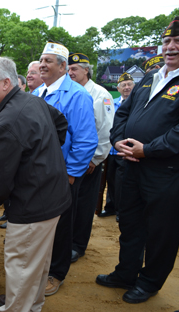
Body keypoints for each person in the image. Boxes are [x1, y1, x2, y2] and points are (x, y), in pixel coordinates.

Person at [96, 16, 179, 304]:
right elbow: (123, 113)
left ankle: (149, 282)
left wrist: (147, 149)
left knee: (162, 231)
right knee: (130, 223)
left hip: (166, 172)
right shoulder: (151, 76)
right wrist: (118, 140)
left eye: (178, 42)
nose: (170, 47)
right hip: (130, 166)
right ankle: (126, 272)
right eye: (166, 42)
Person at [0, 57, 71, 311]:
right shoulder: (34, 100)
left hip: (32, 206)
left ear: (6, 83)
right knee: (37, 264)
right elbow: (60, 124)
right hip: (52, 197)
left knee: (21, 266)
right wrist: (43, 157)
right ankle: (33, 306)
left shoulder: (8, 121)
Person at [33, 40, 97, 296]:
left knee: (61, 225)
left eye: (48, 61)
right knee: (40, 223)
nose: (42, 65)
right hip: (38, 173)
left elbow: (85, 139)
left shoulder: (77, 95)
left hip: (62, 175)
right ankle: (40, 266)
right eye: (41, 60)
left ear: (62, 66)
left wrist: (71, 174)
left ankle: (56, 273)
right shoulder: (38, 93)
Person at [68, 52, 114, 262]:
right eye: (68, 69)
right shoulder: (69, 91)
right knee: (68, 203)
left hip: (88, 162)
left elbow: (105, 130)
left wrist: (95, 159)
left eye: (75, 69)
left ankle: (78, 245)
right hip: (69, 159)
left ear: (87, 70)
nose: (71, 72)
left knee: (84, 205)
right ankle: (65, 241)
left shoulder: (100, 94)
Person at [99, 72, 135, 220]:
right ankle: (110, 207)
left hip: (126, 149)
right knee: (110, 179)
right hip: (110, 149)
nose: (126, 88)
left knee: (122, 181)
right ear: (118, 88)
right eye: (123, 85)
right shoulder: (111, 102)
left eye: (129, 85)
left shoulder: (137, 104)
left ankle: (121, 210)